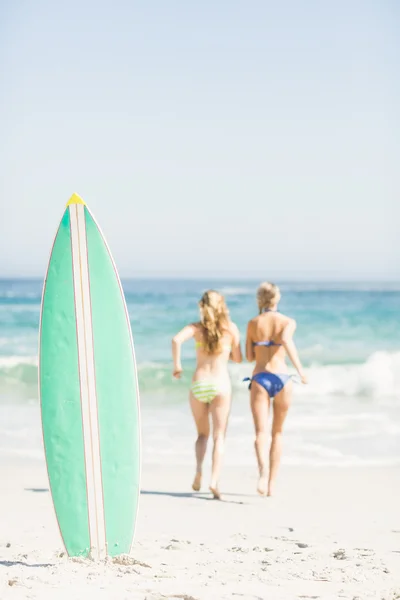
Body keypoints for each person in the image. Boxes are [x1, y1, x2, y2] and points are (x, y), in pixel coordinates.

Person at [172, 290, 242, 499]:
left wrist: (177, 366)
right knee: (219, 436)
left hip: (199, 384)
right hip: (221, 385)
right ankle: (214, 481)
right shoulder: (230, 329)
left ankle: (198, 471)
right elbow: (238, 359)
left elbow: (176, 340)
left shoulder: (195, 328)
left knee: (202, 434)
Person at [245, 282, 307, 497]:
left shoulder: (253, 323)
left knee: (260, 433)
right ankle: (271, 485)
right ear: (277, 299)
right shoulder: (288, 322)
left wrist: (262, 347)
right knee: (277, 432)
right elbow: (286, 341)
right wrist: (300, 370)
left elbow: (249, 356)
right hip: (282, 377)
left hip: (260, 377)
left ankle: (262, 474)